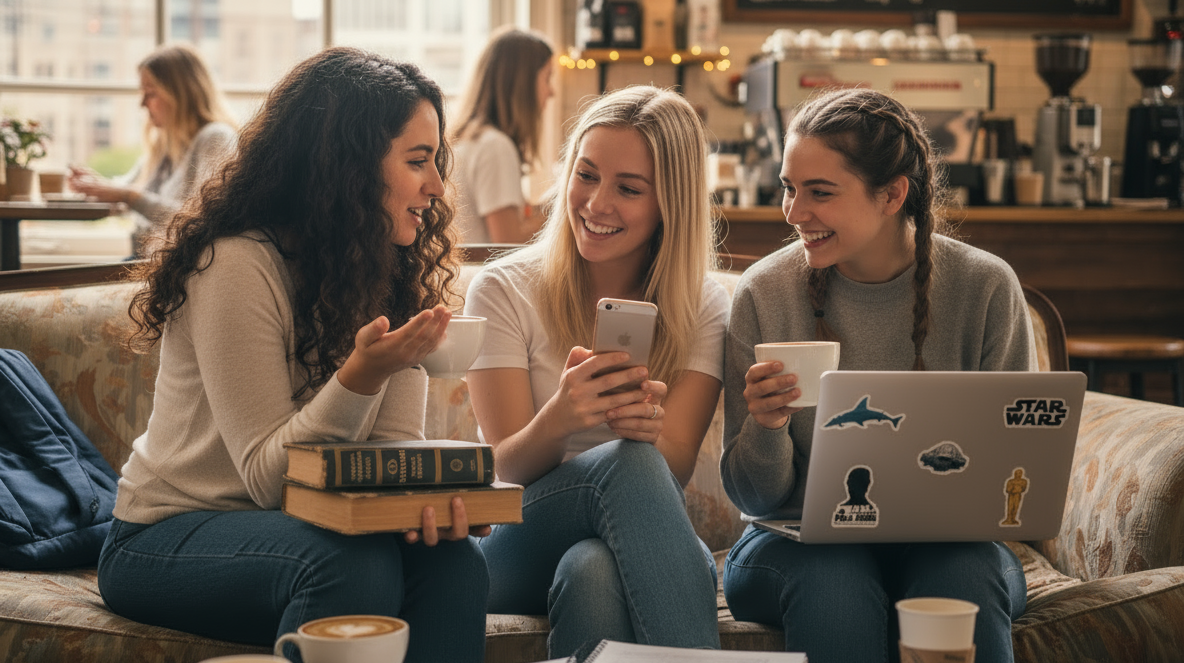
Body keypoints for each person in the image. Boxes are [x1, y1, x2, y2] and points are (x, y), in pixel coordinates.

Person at [96, 48, 489, 663]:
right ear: (350, 167)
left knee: (452, 561)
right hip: (164, 536)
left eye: (436, 162)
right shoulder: (235, 263)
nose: (437, 187)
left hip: (302, 528)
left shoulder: (377, 265)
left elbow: (382, 450)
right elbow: (263, 479)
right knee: (348, 561)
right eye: (418, 162)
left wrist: (424, 505)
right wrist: (362, 376)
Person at [720, 88, 1034, 663]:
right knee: (834, 576)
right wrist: (765, 425)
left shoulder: (985, 289)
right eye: (789, 188)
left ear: (892, 194)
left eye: (819, 193)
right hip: (790, 544)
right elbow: (753, 496)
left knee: (963, 572)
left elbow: (1012, 478)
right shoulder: (765, 294)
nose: (792, 212)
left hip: (944, 545)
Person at [463, 85, 726, 660]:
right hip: (516, 538)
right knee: (627, 463)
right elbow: (503, 469)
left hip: (642, 539)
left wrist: (646, 424)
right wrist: (559, 420)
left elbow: (673, 468)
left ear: (670, 205)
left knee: (593, 571)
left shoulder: (703, 304)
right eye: (585, 174)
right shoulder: (505, 289)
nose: (595, 203)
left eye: (628, 188)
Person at [68, 43, 237, 256]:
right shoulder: (166, 145)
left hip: (174, 272)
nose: (142, 103)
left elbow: (203, 218)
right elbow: (128, 186)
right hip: (142, 262)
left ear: (181, 94)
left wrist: (129, 196)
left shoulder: (216, 138)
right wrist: (94, 184)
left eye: (151, 93)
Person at [450, 26, 554, 244]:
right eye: (547, 78)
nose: (551, 91)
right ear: (523, 86)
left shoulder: (473, 139)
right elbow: (507, 242)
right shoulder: (495, 148)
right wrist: (560, 207)